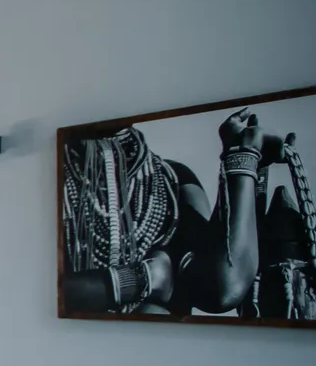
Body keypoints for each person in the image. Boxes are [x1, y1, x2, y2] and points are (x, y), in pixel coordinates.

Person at [60, 106, 303, 318]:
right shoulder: (50, 178)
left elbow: (219, 289)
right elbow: (32, 293)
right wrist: (144, 278)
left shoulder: (172, 181)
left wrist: (243, 157)